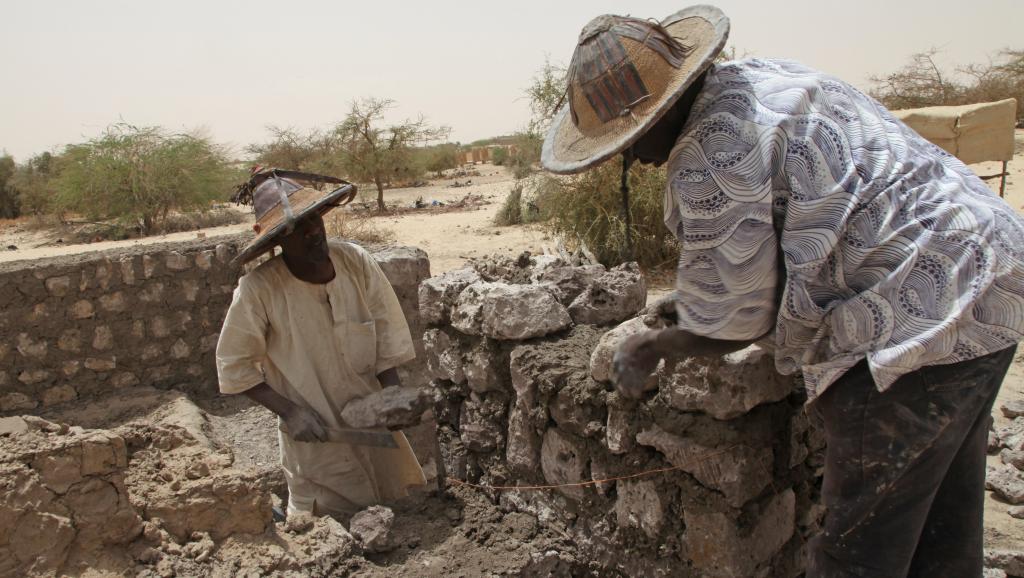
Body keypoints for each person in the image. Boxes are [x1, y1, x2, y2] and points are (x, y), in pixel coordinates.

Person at [541, 6, 1024, 577]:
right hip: (990, 267)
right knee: (943, 527)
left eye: (632, 138)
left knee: (857, 553)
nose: (631, 155)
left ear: (666, 108)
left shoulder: (709, 153)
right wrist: (697, 301)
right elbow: (797, 222)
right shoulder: (763, 78)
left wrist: (653, 347)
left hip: (913, 323)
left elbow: (736, 324)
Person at [216, 168, 426, 518]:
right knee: (328, 527)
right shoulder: (259, 290)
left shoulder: (355, 262)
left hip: (373, 428)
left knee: (393, 512)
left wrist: (390, 396)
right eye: (296, 227)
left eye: (314, 218)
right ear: (278, 240)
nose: (312, 231)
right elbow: (234, 365)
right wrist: (290, 412)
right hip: (318, 435)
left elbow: (386, 334)